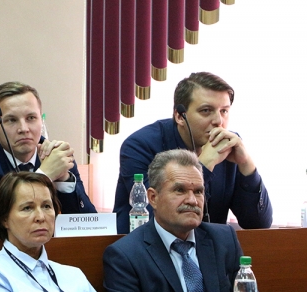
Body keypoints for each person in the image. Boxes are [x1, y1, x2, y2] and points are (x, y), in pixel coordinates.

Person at [103, 149, 271, 292]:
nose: (192, 200)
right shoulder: (125, 255)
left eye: (198, 191)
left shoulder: (224, 240)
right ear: (153, 198)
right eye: (180, 190)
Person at [113, 72, 272, 234]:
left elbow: (258, 224)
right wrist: (203, 165)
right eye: (206, 110)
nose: (218, 121)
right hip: (147, 247)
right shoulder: (140, 146)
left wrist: (247, 165)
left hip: (208, 248)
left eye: (224, 111)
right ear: (179, 116)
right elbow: (157, 218)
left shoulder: (228, 145)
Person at [0, 81, 96, 240]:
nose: (24, 129)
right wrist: (44, 175)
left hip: (47, 250)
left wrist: (64, 179)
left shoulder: (56, 155)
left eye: (31, 118)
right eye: (11, 120)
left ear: (41, 120)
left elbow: (89, 227)